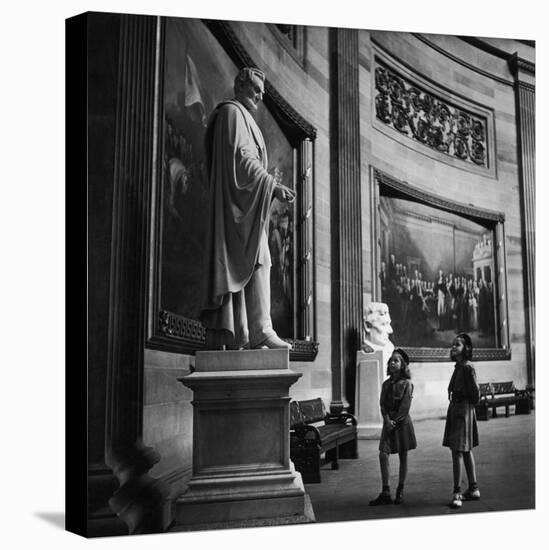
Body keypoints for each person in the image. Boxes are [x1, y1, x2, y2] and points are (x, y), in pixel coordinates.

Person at [200, 67, 295, 350]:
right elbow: (242, 161)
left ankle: (258, 330)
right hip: (234, 211)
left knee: (262, 260)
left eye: (262, 93)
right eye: (254, 89)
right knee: (258, 259)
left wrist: (266, 186)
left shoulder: (244, 119)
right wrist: (271, 185)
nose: (259, 96)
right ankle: (255, 330)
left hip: (247, 208)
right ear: (240, 85)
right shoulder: (232, 114)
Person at [369, 348, 417, 506]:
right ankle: (386, 491)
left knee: (403, 455)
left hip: (402, 424)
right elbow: (382, 404)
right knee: (383, 454)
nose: (392, 363)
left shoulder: (407, 384)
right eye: (391, 360)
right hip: (388, 422)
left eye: (396, 360)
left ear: (403, 365)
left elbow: (405, 407)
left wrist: (394, 422)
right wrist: (386, 420)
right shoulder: (386, 384)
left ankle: (400, 490)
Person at [442, 332, 481, 508]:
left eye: (458, 344)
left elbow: (476, 394)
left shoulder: (467, 367)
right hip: (457, 409)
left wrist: (466, 407)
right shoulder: (459, 367)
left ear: (466, 348)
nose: (453, 347)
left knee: (457, 452)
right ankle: (473, 489)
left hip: (462, 410)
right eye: (453, 344)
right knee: (465, 451)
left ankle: (457, 492)